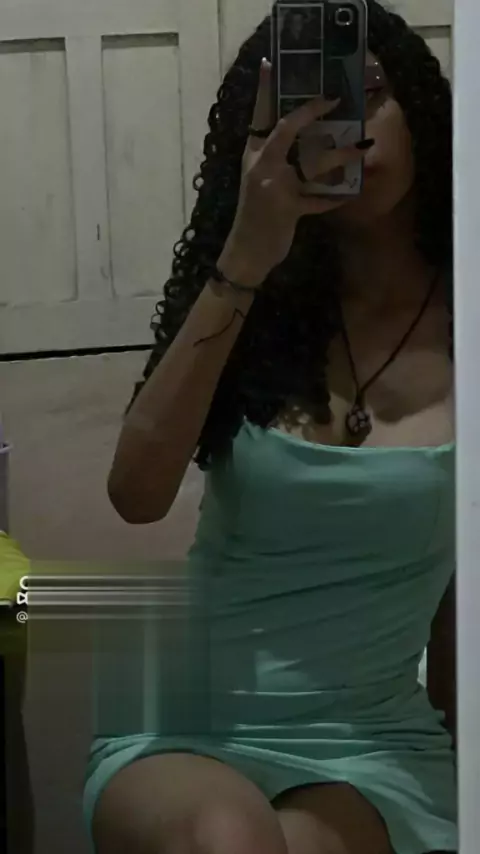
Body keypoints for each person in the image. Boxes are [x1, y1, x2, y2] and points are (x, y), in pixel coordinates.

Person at [85, 2, 456, 852]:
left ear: (422, 112)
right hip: (185, 722)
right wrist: (246, 256)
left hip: (369, 740)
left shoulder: (464, 318)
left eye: (367, 93)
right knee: (230, 836)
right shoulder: (257, 300)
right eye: (307, 105)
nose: (346, 127)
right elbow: (135, 495)